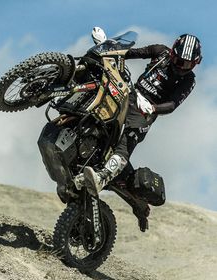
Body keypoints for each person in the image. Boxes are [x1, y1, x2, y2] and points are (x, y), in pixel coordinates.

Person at [75, 30, 202, 197]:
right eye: (179, 61)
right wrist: (106, 47)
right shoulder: (160, 51)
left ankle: (102, 177)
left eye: (188, 65)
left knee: (129, 138)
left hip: (146, 110)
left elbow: (172, 104)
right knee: (99, 91)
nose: (182, 68)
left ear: (195, 63)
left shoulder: (189, 80)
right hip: (131, 93)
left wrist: (153, 108)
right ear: (172, 52)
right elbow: (129, 53)